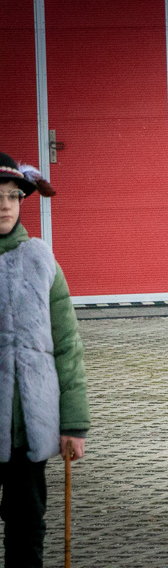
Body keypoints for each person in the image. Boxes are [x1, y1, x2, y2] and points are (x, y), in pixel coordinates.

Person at [0, 152, 90, 568]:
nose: (4, 205)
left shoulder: (40, 260)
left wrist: (73, 424)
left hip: (29, 427)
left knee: (26, 524)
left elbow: (67, 344)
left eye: (12, 196)